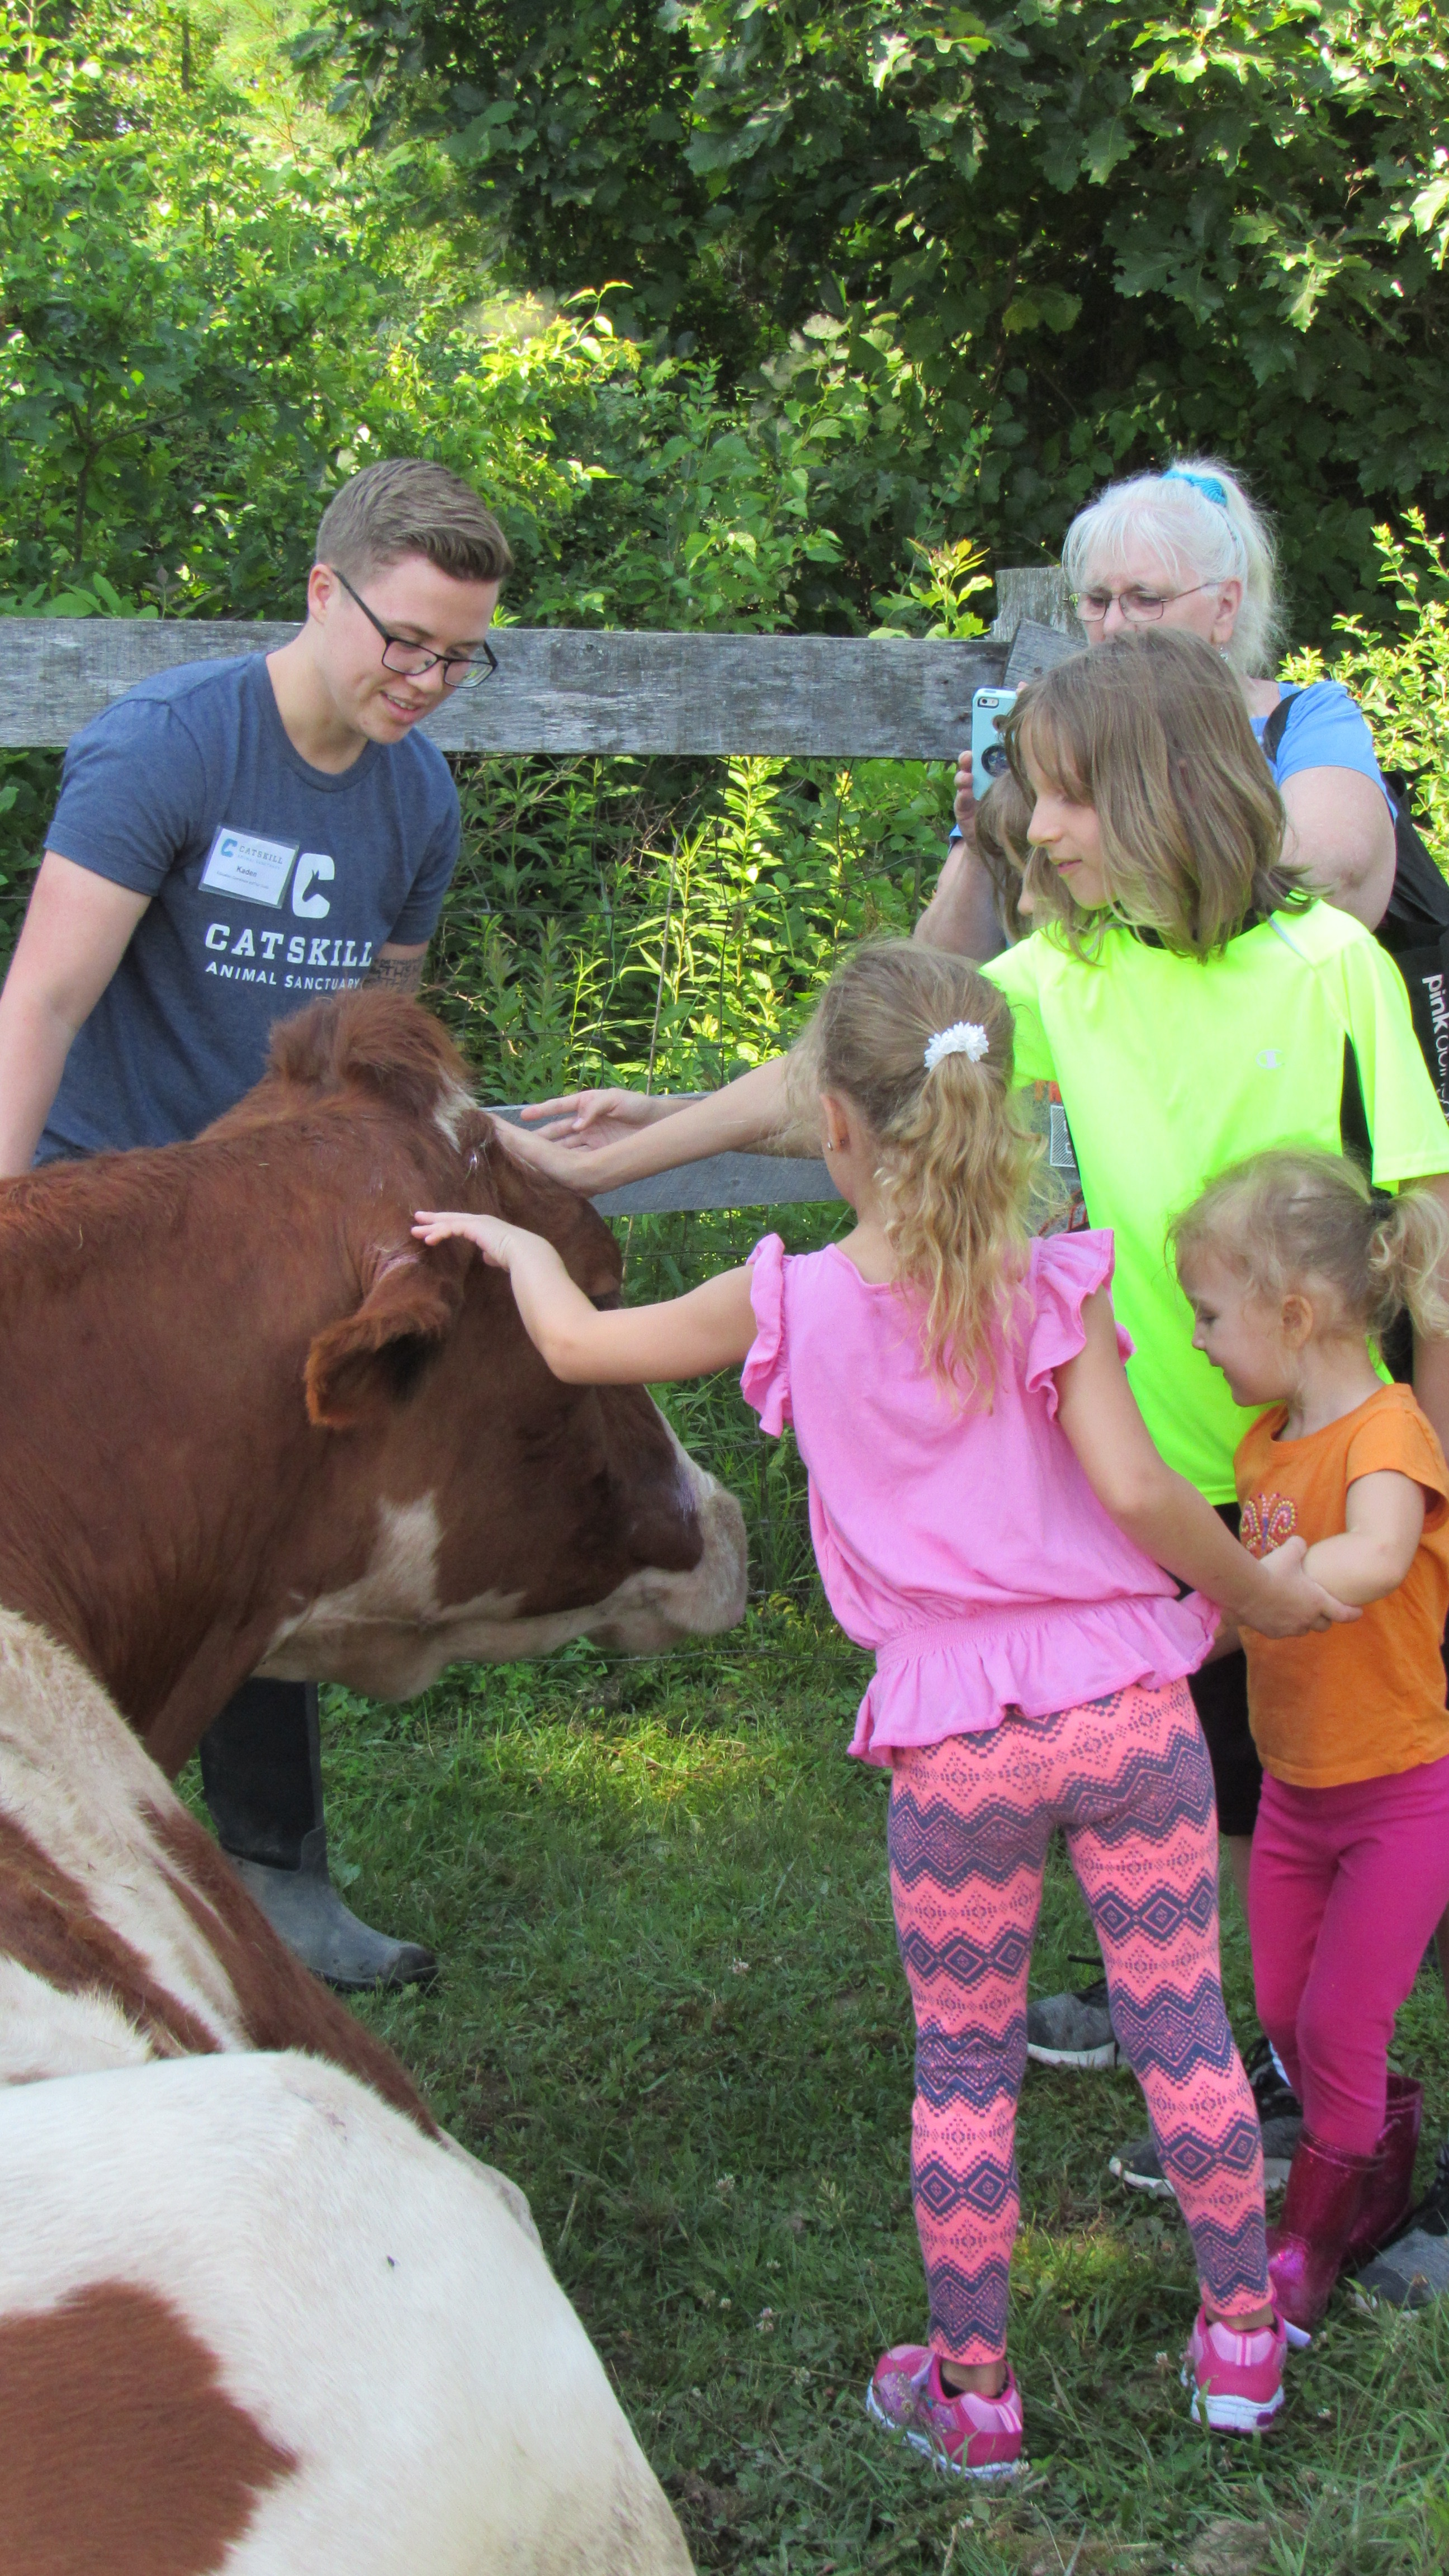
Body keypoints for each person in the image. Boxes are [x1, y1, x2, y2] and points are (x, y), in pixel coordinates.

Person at [500, 632, 1449, 2190]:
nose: (1041, 831)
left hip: (1322, 1475)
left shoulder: (1337, 965)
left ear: (1156, 791)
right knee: (1211, 1783)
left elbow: (1432, 1221)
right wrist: (627, 1146)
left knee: (1344, 1774)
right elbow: (849, 1071)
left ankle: (1318, 2089)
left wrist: (1434, 1462)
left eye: (1065, 797)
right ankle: (1250, 2083)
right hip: (1138, 1475)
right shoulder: (1059, 980)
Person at [414, 943, 1361, 2464]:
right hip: (1128, 1701)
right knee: (1187, 2030)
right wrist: (1248, 1598)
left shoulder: (788, 1299)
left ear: (834, 1128)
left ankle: (976, 2394)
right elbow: (1130, 1484)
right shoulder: (1062, 1278)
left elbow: (583, 1346)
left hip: (959, 1748)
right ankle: (1244, 2347)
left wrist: (509, 1248)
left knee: (966, 2073)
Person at [0, 456, 511, 1988]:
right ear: (321, 591)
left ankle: (279, 1882)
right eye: (403, 640)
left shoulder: (418, 797)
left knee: (261, 1543)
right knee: (83, 1553)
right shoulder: (170, 745)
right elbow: (47, 992)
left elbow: (381, 1030)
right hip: (108, 1207)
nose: (424, 680)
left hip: (274, 1236)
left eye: (459, 655)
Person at [1171, 1150, 1449, 2337]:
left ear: (1294, 1313)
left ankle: (1312, 2240)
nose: (1197, 1342)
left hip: (1399, 1799)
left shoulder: (1389, 1433)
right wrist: (1179, 1638)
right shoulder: (1267, 1447)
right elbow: (1239, 1611)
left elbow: (1380, 1556)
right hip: (1295, 1796)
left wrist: (1275, 1583)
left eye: (1209, 1315)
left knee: (1338, 2024)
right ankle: (1376, 2151)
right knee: (1285, 2013)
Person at [920, 454, 1400, 961]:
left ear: (1225, 606)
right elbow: (942, 967)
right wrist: (988, 846)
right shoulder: (1056, 736)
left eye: (1145, 599)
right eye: (1098, 600)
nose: (1113, 627)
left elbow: (1331, 882)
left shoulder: (1310, 718)